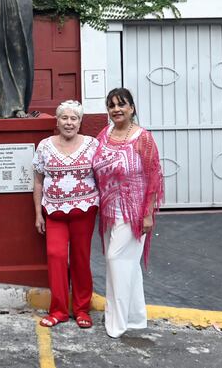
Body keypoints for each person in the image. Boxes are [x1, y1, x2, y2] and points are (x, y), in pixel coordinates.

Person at [92, 88, 164, 339]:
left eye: (121, 105)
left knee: (116, 260)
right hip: (111, 210)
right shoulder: (105, 133)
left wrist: (148, 215)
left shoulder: (142, 138)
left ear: (132, 108)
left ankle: (117, 321)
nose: (116, 109)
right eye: (111, 105)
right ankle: (134, 317)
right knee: (127, 266)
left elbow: (154, 176)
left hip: (134, 212)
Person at [33, 100, 99, 329]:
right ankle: (59, 310)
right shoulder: (44, 146)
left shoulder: (92, 144)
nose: (69, 123)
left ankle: (82, 309)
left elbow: (103, 176)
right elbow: (38, 181)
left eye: (74, 118)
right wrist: (38, 215)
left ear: (80, 122)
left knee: (81, 259)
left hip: (85, 210)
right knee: (56, 257)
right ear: (57, 121)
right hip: (53, 212)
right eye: (65, 118)